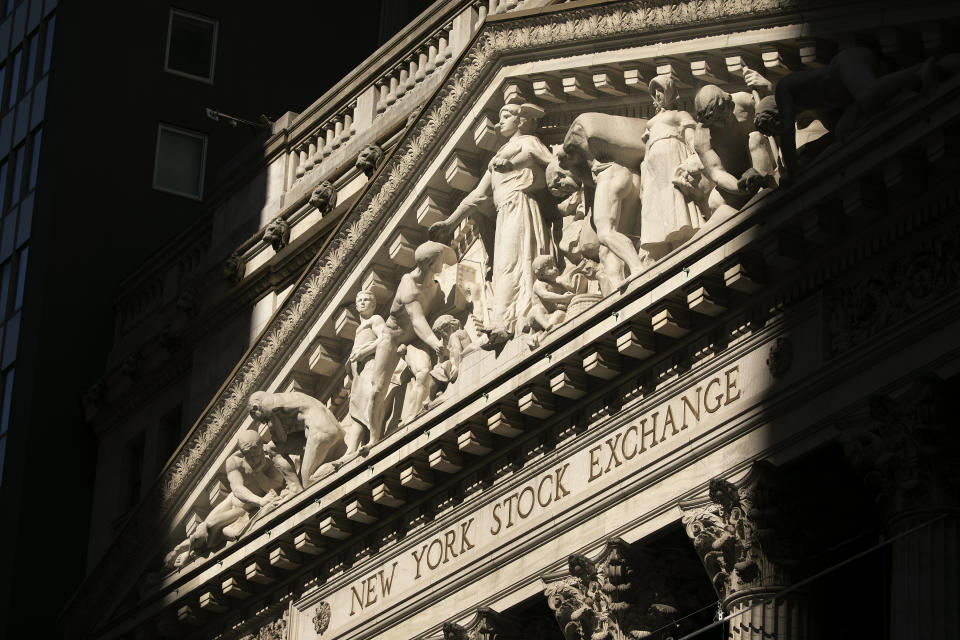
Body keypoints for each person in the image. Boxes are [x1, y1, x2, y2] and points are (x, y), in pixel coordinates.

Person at [430, 103, 555, 348]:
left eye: (506, 116)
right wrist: (450, 222)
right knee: (502, 267)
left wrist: (518, 167)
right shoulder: (496, 159)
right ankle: (505, 318)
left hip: (520, 206)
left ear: (520, 120)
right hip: (504, 214)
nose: (500, 123)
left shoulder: (528, 142)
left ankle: (510, 319)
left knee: (513, 263)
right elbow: (476, 196)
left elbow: (552, 163)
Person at [363, 241, 455, 440]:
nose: (443, 263)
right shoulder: (409, 284)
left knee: (424, 372)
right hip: (392, 339)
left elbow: (432, 317)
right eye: (440, 260)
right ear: (432, 264)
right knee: (378, 389)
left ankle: (412, 419)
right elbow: (417, 320)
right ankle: (373, 438)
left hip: (414, 340)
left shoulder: (435, 285)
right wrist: (435, 343)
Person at [693, 73, 778, 224]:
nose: (721, 124)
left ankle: (766, 193)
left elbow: (776, 115)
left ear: (729, 105)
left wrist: (768, 89)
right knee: (715, 201)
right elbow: (716, 172)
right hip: (738, 181)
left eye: (722, 117)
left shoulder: (744, 102)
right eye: (715, 121)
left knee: (755, 138)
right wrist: (739, 187)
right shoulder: (702, 137)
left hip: (764, 166)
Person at [188, 430, 285, 552]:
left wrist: (258, 473)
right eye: (248, 456)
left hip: (244, 510)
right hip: (232, 501)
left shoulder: (272, 460)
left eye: (256, 455)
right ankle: (186, 551)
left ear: (262, 446)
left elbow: (276, 486)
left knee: (211, 526)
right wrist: (260, 501)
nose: (253, 460)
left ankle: (219, 534)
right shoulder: (235, 462)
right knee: (202, 531)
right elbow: (237, 489)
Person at [640, 74, 703, 260]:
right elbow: (646, 154)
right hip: (654, 168)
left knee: (675, 199)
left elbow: (693, 141)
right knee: (658, 203)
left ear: (671, 92)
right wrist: (644, 181)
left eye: (661, 89)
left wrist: (693, 161)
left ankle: (682, 240)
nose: (658, 94)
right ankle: (664, 245)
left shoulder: (680, 115)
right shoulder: (650, 123)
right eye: (655, 91)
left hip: (673, 158)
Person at [248, 389, 357, 488]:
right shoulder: (286, 398)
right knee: (273, 448)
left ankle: (342, 464)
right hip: (328, 428)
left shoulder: (266, 404)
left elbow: (280, 439)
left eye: (258, 419)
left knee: (308, 481)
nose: (262, 422)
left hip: (320, 431)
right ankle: (295, 488)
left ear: (255, 408)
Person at [341, 289, 385, 452]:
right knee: (356, 405)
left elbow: (384, 338)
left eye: (367, 300)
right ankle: (351, 449)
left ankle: (374, 437)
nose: (362, 302)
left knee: (369, 399)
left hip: (370, 366)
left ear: (373, 305)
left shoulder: (375, 319)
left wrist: (364, 352)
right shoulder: (359, 328)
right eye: (359, 300)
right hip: (359, 373)